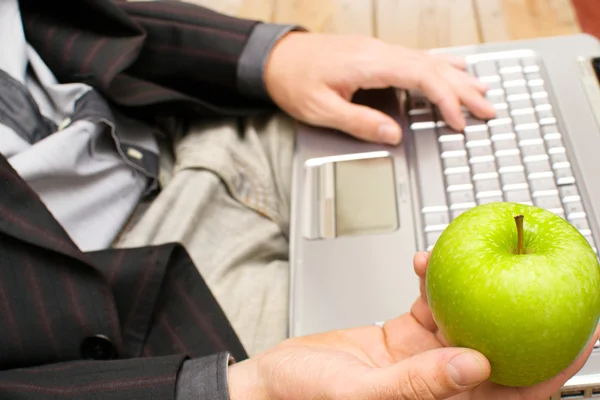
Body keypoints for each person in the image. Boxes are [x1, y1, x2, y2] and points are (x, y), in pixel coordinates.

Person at [0, 0, 596, 398]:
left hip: (168, 127)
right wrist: (239, 391)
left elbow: (46, 18)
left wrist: (272, 55)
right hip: (112, 304)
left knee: (467, 114)